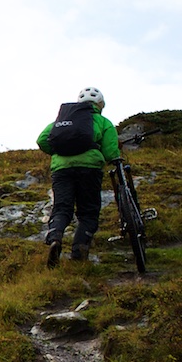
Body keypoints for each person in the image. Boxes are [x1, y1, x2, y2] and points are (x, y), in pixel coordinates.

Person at [36, 87, 120, 267]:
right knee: (88, 212)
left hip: (61, 169)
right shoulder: (103, 121)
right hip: (89, 169)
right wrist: (109, 159)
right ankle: (79, 253)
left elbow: (42, 139)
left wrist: (59, 153)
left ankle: (55, 237)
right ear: (100, 105)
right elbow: (110, 151)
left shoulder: (62, 120)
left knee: (61, 208)